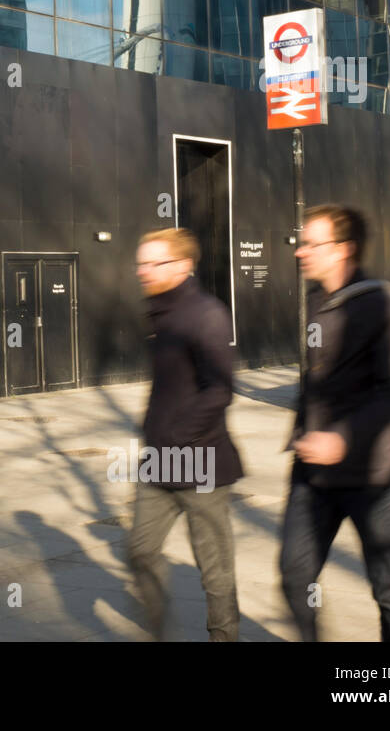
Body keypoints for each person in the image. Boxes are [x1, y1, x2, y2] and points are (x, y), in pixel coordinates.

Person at [280, 204, 390, 642]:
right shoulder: (315, 301)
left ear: (344, 249)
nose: (300, 252)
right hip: (314, 473)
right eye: (301, 242)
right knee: (294, 575)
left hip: (374, 474)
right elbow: (320, 378)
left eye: (310, 243)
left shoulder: (382, 305)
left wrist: (342, 439)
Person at [127, 228, 243, 641]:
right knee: (141, 550)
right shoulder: (159, 314)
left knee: (213, 568)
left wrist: (177, 435)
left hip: (202, 461)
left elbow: (220, 389)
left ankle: (224, 637)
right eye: (141, 262)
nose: (142, 271)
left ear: (182, 267)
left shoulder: (206, 314)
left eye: (153, 263)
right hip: (159, 463)